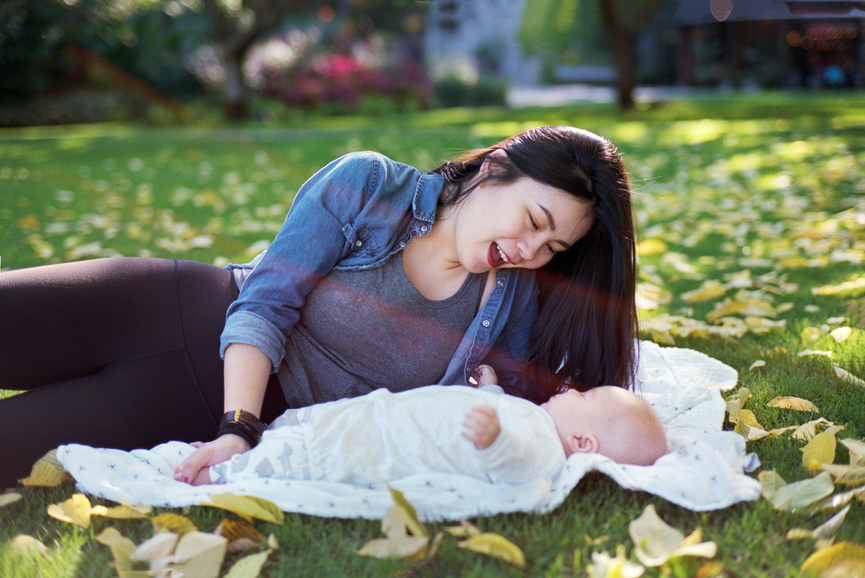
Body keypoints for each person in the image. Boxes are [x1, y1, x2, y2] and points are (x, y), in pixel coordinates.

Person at [0, 126, 637, 489]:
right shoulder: (368, 184)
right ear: (496, 168)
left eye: (551, 247)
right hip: (165, 308)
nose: (528, 250)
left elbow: (522, 419)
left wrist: (496, 395)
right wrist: (238, 429)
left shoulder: (513, 302)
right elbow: (266, 302)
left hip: (175, 400)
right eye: (533, 220)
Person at [182, 365, 666, 486]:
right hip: (379, 414)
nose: (570, 391)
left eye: (583, 397)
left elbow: (513, 462)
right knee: (301, 432)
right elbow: (500, 411)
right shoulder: (536, 416)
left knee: (305, 458)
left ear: (583, 441)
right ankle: (246, 444)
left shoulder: (542, 450)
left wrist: (494, 440)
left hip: (379, 446)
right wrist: (491, 391)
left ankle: (216, 476)